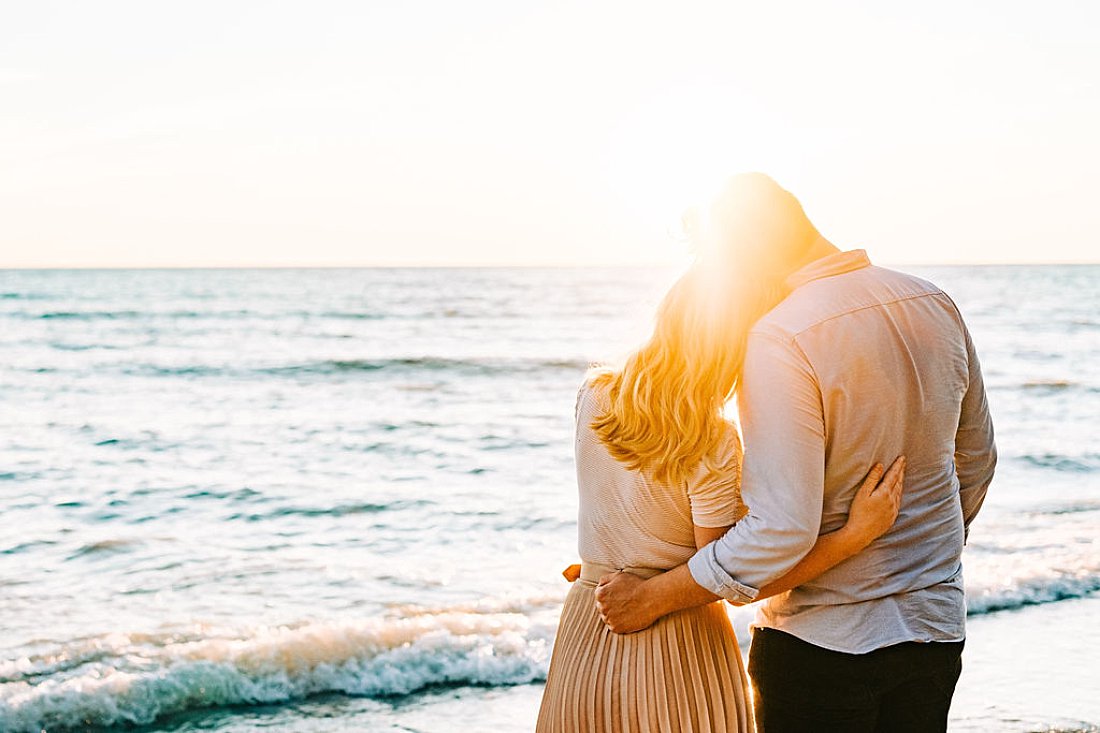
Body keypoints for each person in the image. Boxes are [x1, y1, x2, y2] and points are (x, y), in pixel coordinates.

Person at [595, 173, 997, 733]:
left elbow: (782, 528)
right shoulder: (933, 301)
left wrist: (655, 597)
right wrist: (920, 555)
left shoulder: (782, 335)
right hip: (934, 630)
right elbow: (975, 462)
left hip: (824, 643)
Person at [535, 229, 907, 732]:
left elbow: (622, 504)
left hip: (587, 621)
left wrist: (608, 559)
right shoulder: (711, 441)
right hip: (673, 640)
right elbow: (733, 579)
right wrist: (852, 537)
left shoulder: (594, 395)